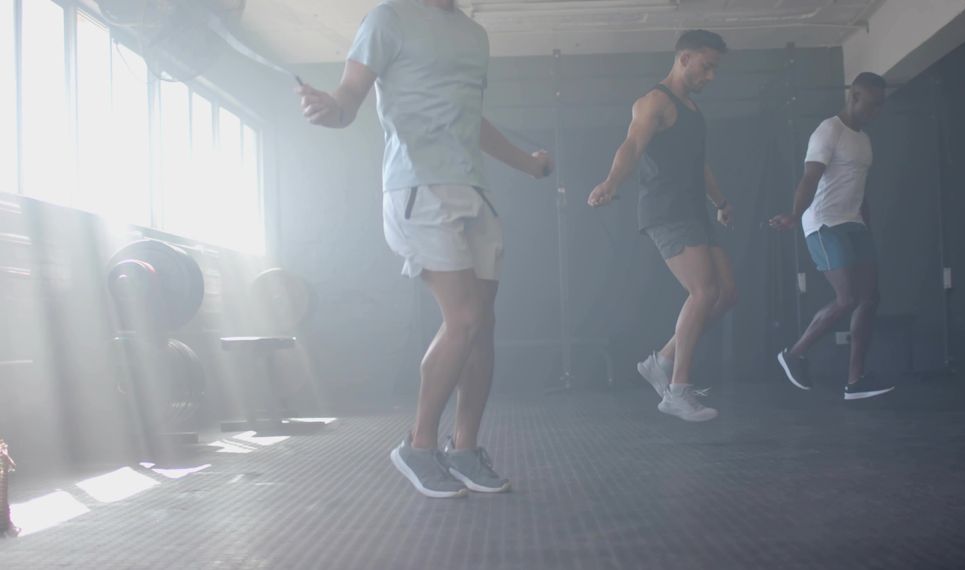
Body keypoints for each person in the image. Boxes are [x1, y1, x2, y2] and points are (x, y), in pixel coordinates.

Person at [296, 0, 553, 498]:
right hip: (417, 187)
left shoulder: (474, 36)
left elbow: (470, 118)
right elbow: (349, 97)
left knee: (483, 327)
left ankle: (464, 449)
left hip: (473, 190)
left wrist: (526, 163)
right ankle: (418, 444)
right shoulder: (388, 17)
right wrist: (331, 110)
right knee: (464, 319)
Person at [588, 30, 735, 422]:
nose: (711, 76)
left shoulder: (692, 108)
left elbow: (698, 163)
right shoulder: (654, 102)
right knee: (703, 292)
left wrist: (719, 201)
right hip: (667, 210)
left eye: (715, 69)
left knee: (724, 296)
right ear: (684, 59)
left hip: (694, 210)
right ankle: (677, 390)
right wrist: (611, 182)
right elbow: (632, 146)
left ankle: (663, 361)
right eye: (706, 67)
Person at [769, 72, 895, 401]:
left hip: (854, 224)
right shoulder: (829, 131)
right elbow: (810, 178)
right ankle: (794, 354)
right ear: (853, 96)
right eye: (871, 104)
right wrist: (795, 215)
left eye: (880, 106)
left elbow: (858, 189)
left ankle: (855, 381)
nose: (876, 112)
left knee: (870, 298)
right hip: (824, 224)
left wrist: (866, 225)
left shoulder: (864, 139)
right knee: (847, 299)